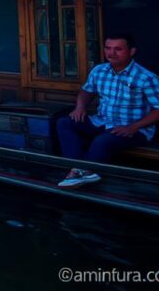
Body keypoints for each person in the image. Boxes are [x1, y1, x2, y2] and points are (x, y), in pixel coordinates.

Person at [56, 32, 159, 188]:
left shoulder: (146, 77)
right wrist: (80, 106)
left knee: (103, 141)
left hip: (134, 128)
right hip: (102, 121)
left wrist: (133, 127)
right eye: (108, 48)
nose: (111, 53)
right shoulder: (99, 70)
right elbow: (86, 91)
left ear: (131, 52)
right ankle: (78, 169)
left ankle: (82, 172)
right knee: (65, 123)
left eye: (118, 49)